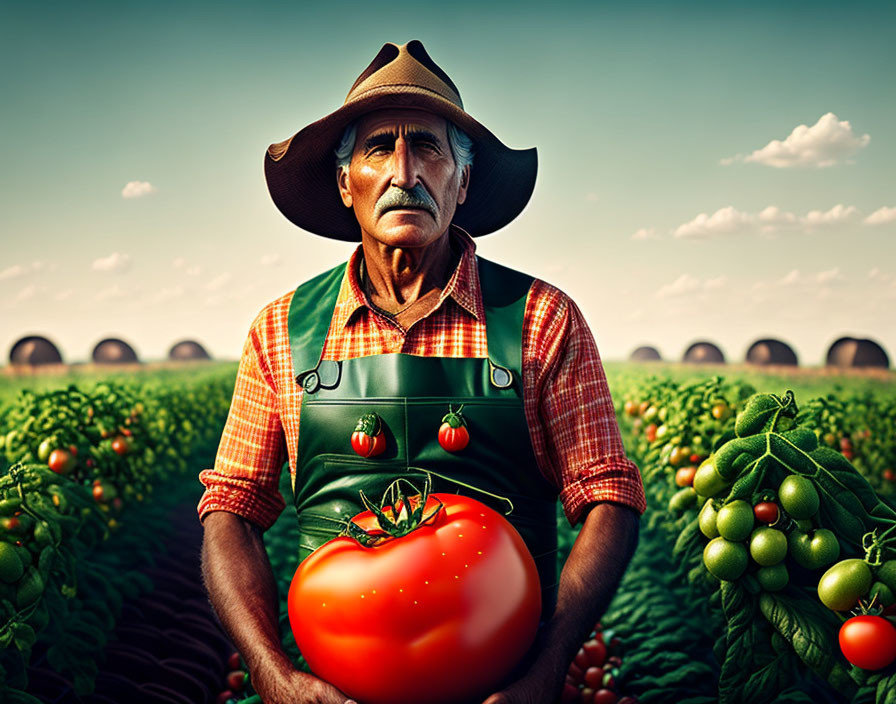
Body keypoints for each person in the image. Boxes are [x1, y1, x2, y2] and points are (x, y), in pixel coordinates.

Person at [199, 40, 646, 704]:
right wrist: (272, 672)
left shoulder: (540, 319)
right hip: (332, 684)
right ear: (346, 182)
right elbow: (231, 510)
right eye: (379, 148)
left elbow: (608, 494)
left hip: (506, 685)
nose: (405, 171)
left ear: (462, 183)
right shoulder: (281, 331)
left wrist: (548, 668)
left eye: (431, 149)